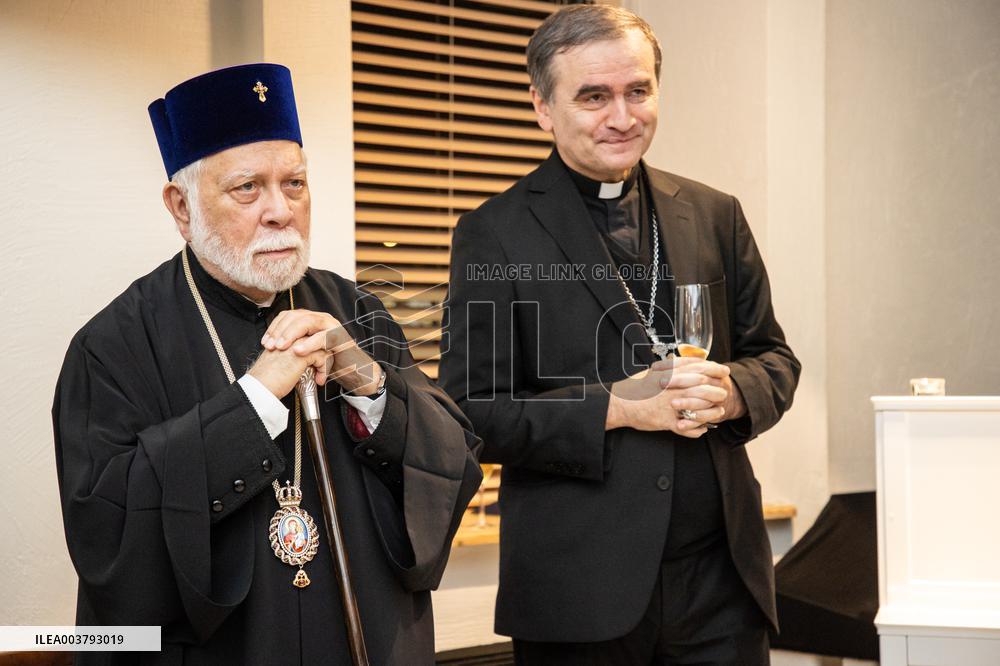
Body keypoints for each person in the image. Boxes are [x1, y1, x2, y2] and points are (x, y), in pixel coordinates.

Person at [53, 63, 482, 665]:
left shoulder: (357, 311)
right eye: (247, 188)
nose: (281, 211)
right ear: (181, 206)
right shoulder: (112, 345)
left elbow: (454, 461)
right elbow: (108, 533)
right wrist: (253, 401)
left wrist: (370, 386)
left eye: (296, 184)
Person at [439, 6, 800, 665]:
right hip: (579, 592)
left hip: (720, 586)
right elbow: (472, 413)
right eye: (594, 96)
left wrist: (734, 393)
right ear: (543, 107)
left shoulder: (715, 213)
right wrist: (625, 407)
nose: (623, 117)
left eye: (638, 91)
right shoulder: (494, 233)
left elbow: (775, 359)